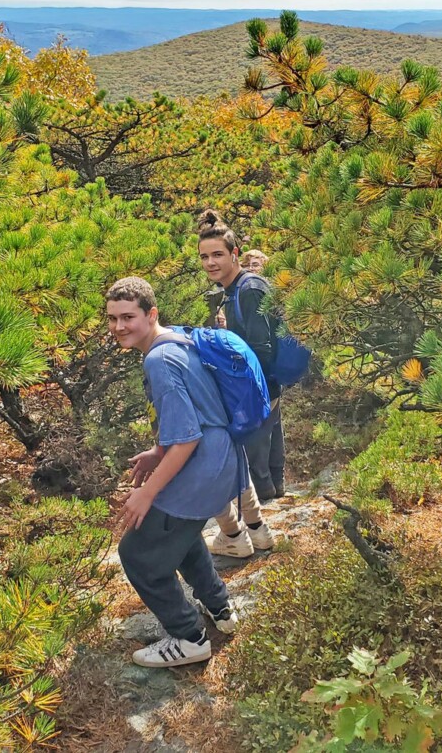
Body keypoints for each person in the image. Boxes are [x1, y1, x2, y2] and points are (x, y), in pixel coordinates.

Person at [106, 277, 243, 667]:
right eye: (113, 318)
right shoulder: (178, 342)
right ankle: (220, 608)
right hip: (219, 461)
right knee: (179, 532)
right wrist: (157, 451)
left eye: (128, 317)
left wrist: (147, 493)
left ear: (151, 314)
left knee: (138, 553)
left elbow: (187, 439)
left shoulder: (158, 359)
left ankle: (188, 637)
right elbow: (193, 414)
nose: (119, 327)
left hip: (200, 466)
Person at [197, 210, 286, 558]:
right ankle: (259, 532)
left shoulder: (249, 289)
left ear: (235, 254)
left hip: (258, 391)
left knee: (239, 461)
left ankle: (248, 537)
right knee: (250, 459)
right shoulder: (233, 290)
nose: (210, 262)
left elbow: (261, 349)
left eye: (217, 254)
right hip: (258, 389)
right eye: (204, 257)